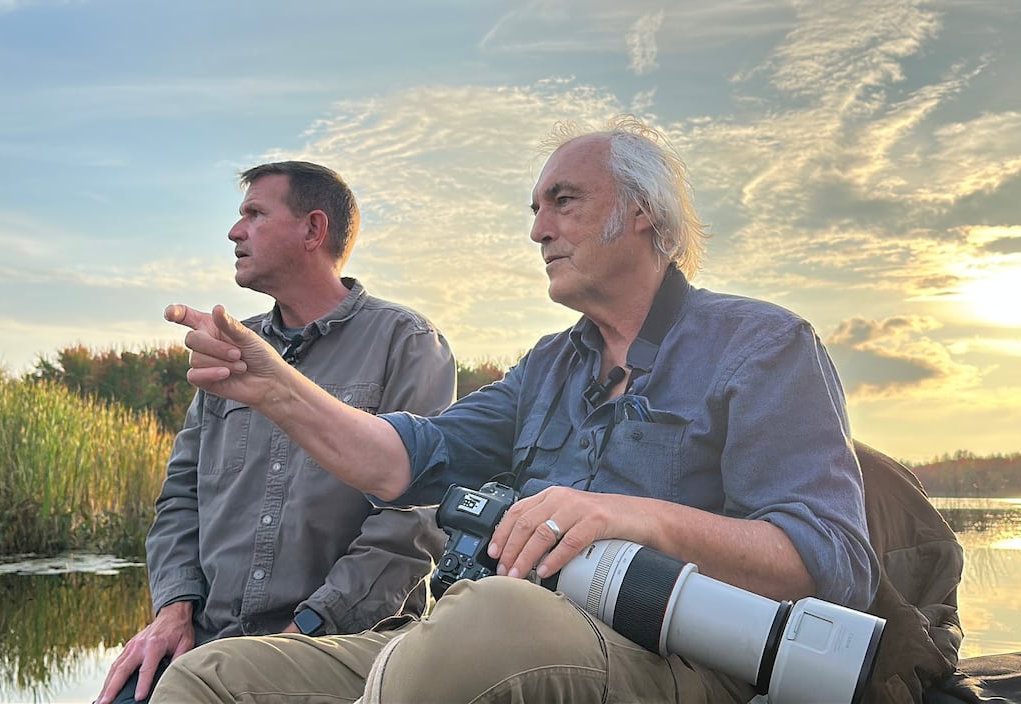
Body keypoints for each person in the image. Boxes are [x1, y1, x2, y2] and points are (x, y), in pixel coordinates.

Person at [151, 116, 879, 703]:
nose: (537, 230)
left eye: (564, 201)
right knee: (208, 679)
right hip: (474, 644)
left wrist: (631, 517)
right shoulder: (546, 367)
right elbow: (402, 461)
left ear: (642, 215)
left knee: (491, 618)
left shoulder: (763, 344)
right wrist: (276, 386)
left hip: (678, 662)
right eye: (534, 209)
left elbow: (830, 563)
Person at [95, 161, 455, 704]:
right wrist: (173, 610)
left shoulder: (406, 343)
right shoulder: (228, 348)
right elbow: (179, 499)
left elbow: (410, 528)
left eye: (255, 214)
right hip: (210, 639)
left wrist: (303, 632)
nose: (235, 232)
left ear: (313, 230)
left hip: (339, 644)